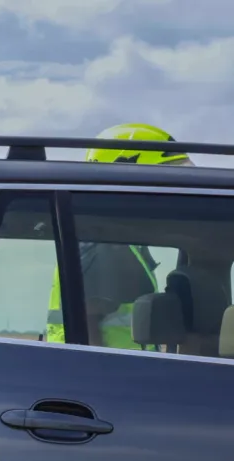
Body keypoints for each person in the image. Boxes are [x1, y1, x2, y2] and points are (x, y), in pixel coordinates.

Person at [46, 123, 193, 349]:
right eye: (164, 185)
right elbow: (87, 328)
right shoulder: (103, 244)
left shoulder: (115, 241)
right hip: (106, 379)